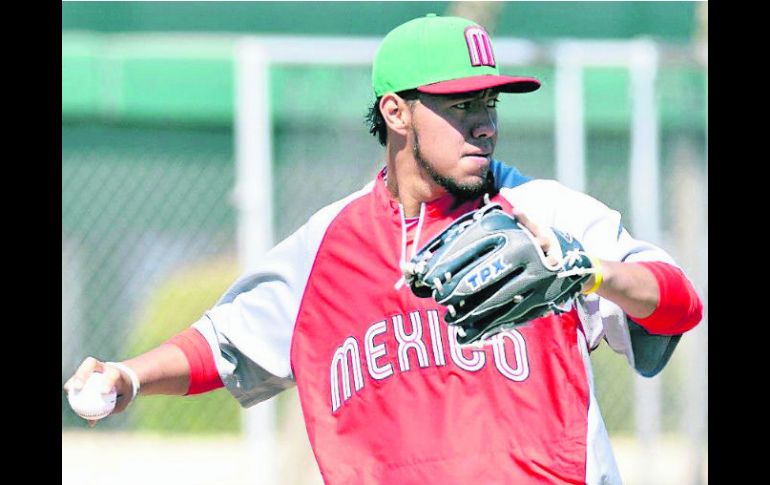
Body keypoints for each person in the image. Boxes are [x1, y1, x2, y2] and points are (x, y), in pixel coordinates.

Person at [64, 14, 703, 485]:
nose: (485, 120)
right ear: (396, 112)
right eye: (459, 104)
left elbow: (678, 304)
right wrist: (129, 377)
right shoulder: (324, 246)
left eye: (489, 100)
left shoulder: (547, 213)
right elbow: (223, 343)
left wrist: (590, 273)